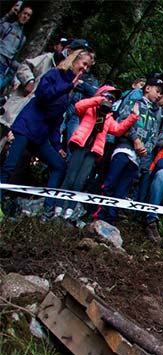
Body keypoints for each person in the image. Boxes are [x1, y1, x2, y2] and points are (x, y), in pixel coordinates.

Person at [1, 45, 94, 218]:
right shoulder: (54, 75)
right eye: (84, 63)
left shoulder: (69, 89)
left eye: (88, 67)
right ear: (74, 60)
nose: (84, 68)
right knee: (9, 166)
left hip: (41, 136)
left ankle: (47, 210)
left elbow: (57, 120)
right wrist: (66, 86)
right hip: (26, 126)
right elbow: (43, 95)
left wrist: (57, 145)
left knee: (58, 165)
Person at [97, 72, 163, 226]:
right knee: (110, 183)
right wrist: (135, 140)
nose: (158, 95)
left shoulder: (156, 114)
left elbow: (154, 136)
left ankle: (110, 220)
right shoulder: (135, 102)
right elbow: (123, 121)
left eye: (161, 93)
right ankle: (99, 216)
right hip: (123, 149)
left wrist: (145, 150)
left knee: (122, 190)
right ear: (147, 88)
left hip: (138, 158)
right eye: (157, 91)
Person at [59, 86, 138, 221]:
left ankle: (70, 210)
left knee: (80, 181)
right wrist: (98, 100)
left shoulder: (108, 118)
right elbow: (78, 106)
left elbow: (118, 129)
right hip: (80, 145)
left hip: (93, 151)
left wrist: (133, 117)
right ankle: (58, 206)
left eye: (113, 99)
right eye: (108, 96)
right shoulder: (89, 108)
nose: (110, 101)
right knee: (70, 177)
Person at [0, 35, 66, 132]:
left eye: (66, 47)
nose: (63, 49)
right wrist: (29, 81)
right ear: (56, 46)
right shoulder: (46, 58)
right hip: (16, 107)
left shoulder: (64, 73)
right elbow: (24, 67)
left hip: (30, 120)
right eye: (61, 45)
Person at [0, 2, 31, 91]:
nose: (25, 16)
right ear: (19, 14)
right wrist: (9, 14)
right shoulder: (7, 26)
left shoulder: (23, 38)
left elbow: (14, 58)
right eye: (24, 13)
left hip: (4, 68)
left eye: (28, 15)